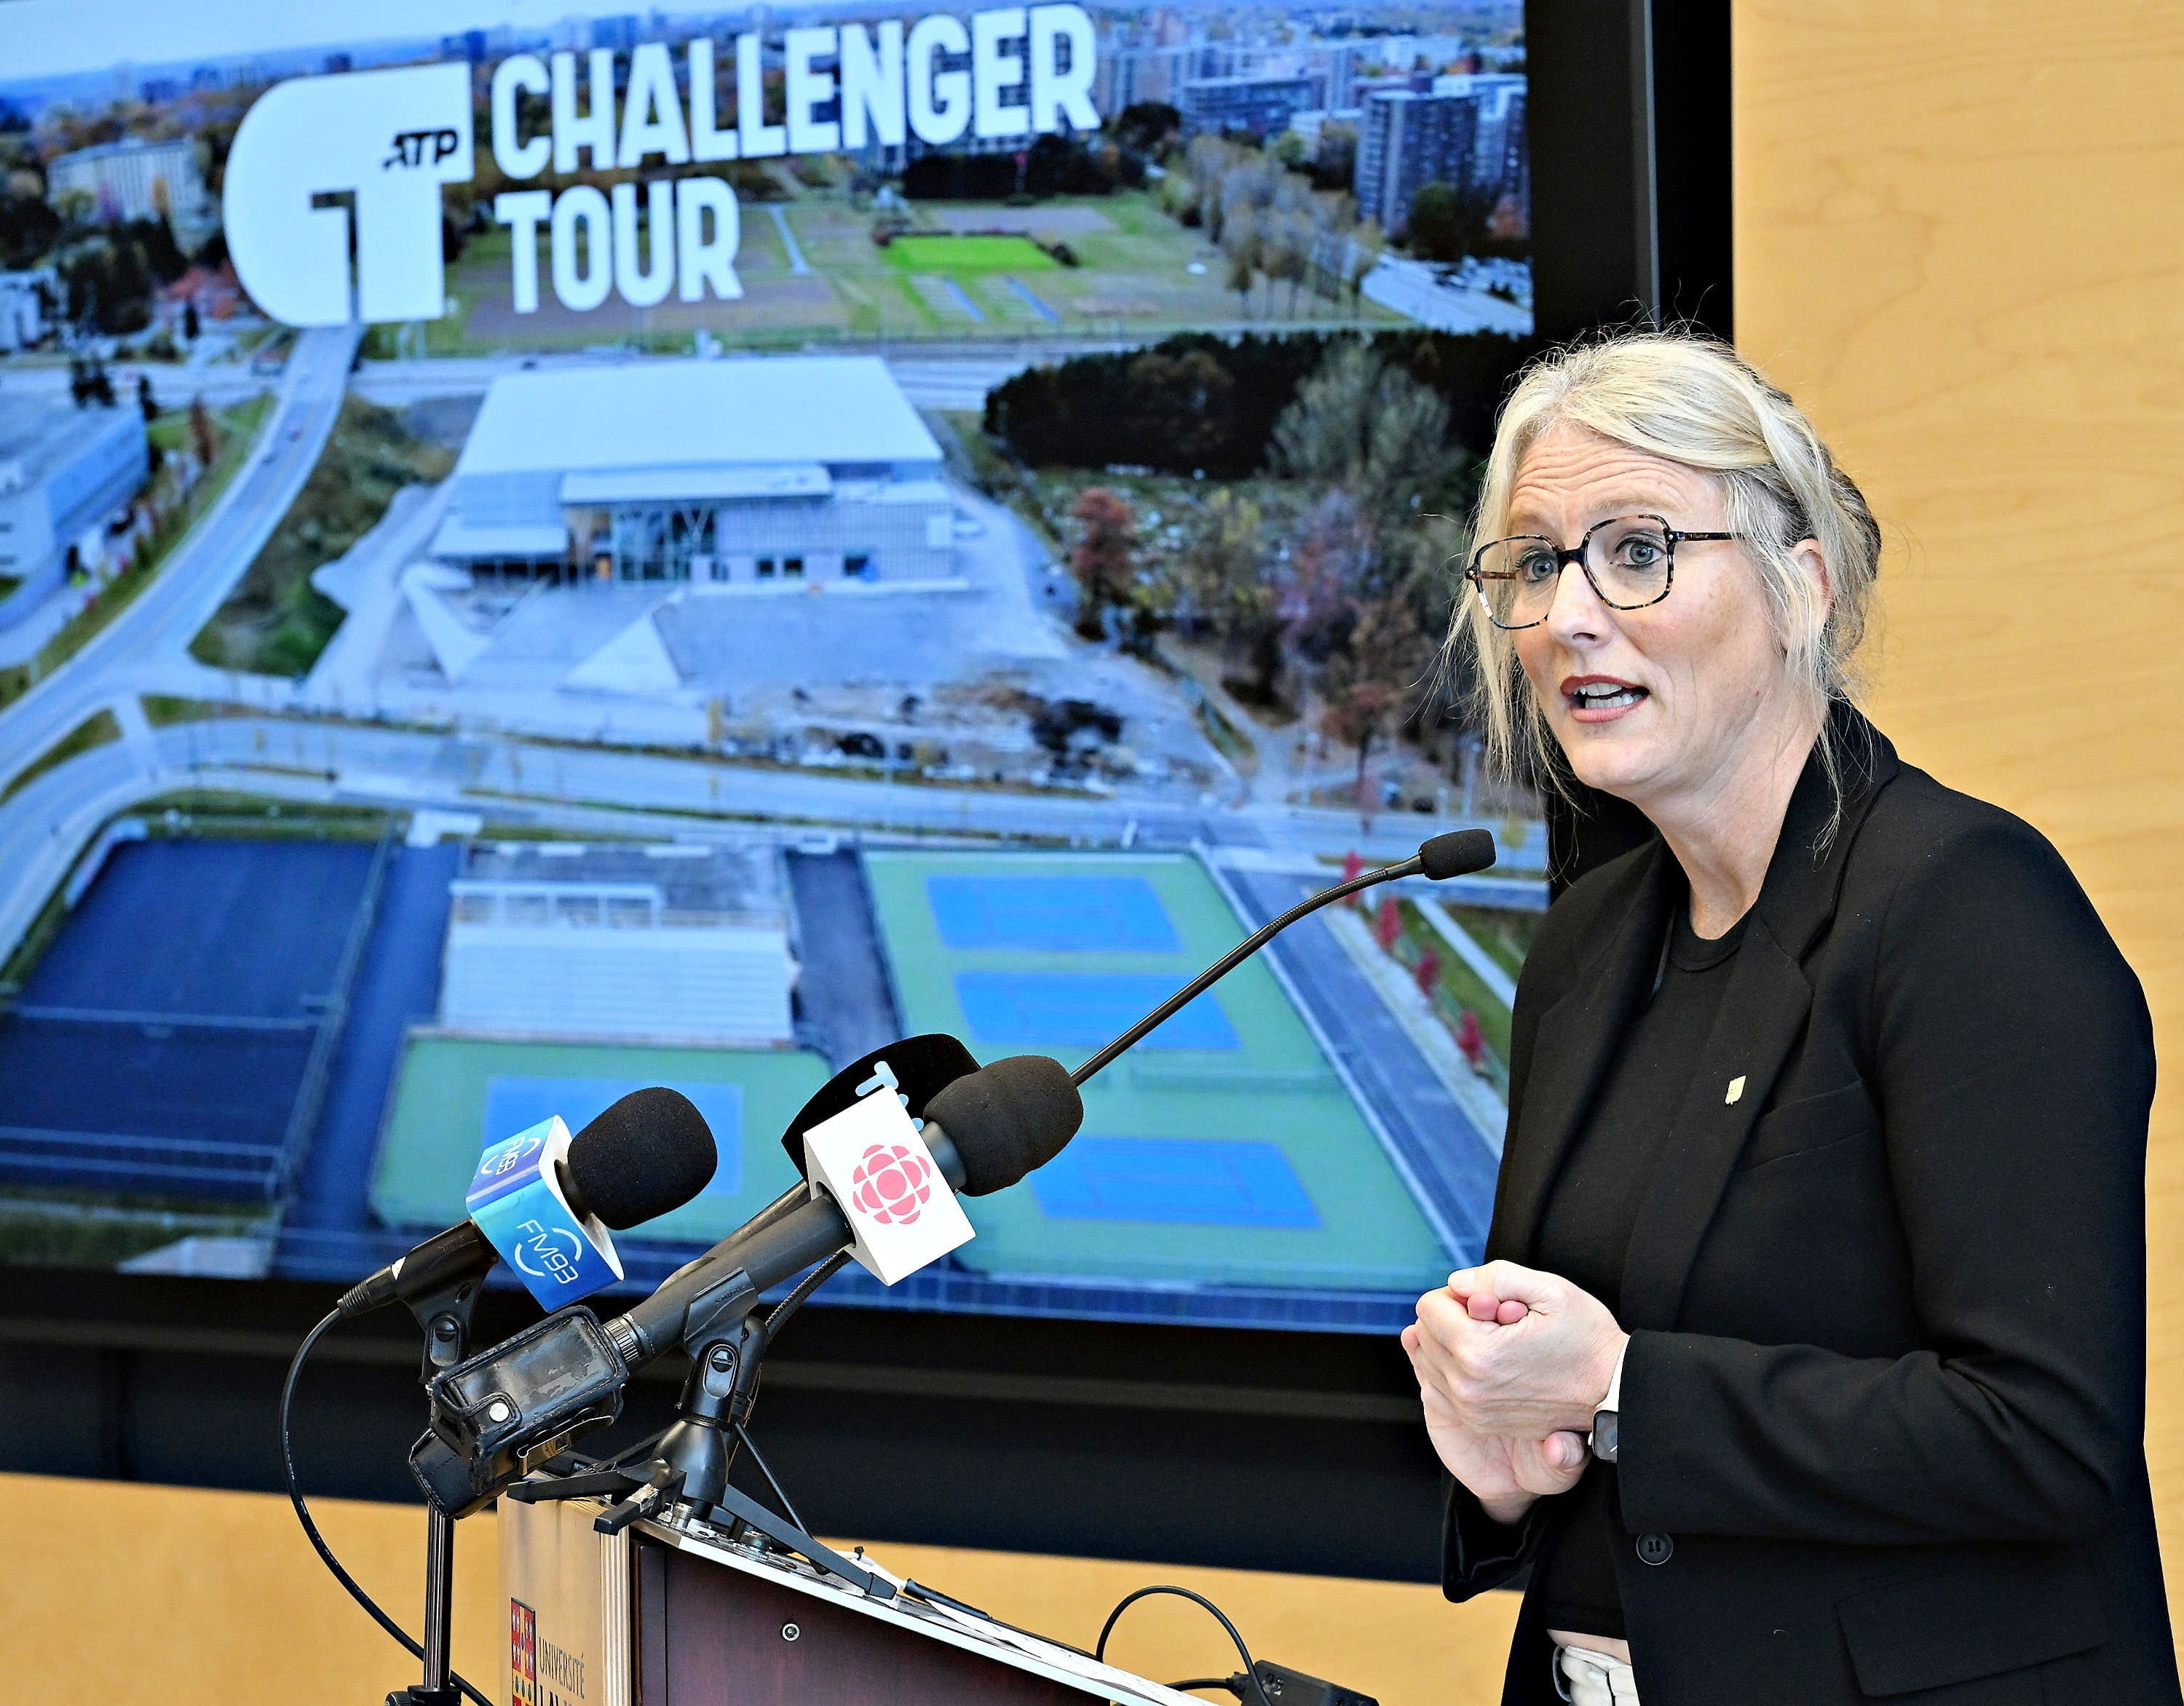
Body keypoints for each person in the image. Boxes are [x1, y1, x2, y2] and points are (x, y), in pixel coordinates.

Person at [1401, 331, 2177, 1705]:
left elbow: (2046, 1439)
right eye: (1533, 564)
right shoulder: (1590, 939)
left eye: (1636, 551)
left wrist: (1624, 1390)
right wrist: (1509, 1451)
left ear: (1799, 583)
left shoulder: (1965, 908)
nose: (1572, 615)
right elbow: (1598, 1415)